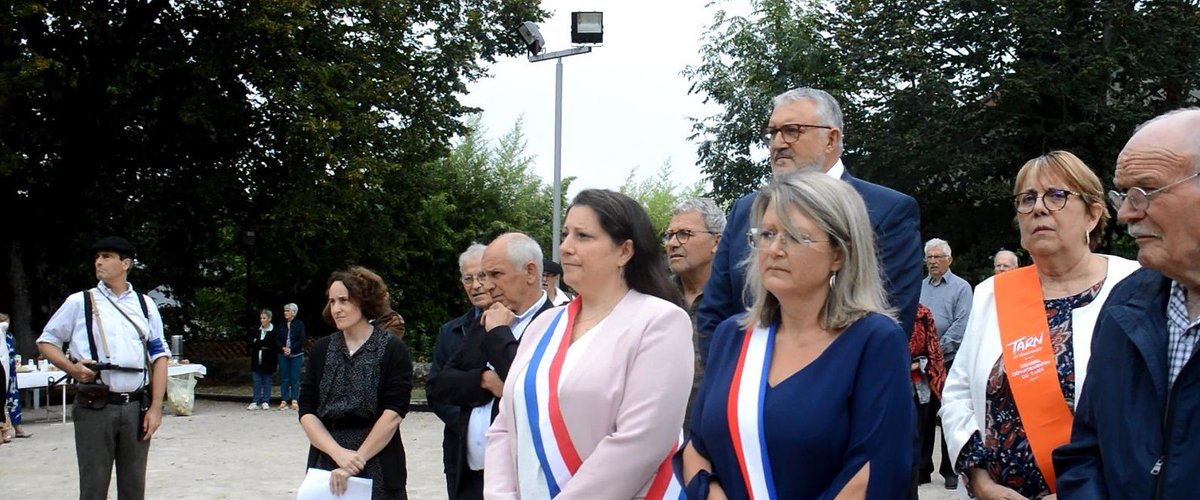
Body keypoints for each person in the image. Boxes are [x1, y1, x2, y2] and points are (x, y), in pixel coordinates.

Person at [683, 171, 913, 499]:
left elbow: (873, 470)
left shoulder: (875, 340)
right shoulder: (731, 336)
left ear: (839, 254)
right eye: (766, 234)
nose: (774, 249)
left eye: (796, 237)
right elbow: (696, 448)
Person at [939, 151, 1140, 499]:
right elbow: (957, 396)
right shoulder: (992, 294)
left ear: (1093, 214)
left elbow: (1151, 416)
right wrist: (980, 481)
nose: (1039, 208)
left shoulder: (1136, 288)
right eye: (1027, 199)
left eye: (1057, 195)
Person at [485, 189, 692, 499]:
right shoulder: (543, 325)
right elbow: (505, 424)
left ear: (624, 251)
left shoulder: (660, 322)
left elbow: (640, 441)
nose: (565, 247)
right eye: (566, 234)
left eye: (583, 236)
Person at [696, 87, 922, 367]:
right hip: (744, 393)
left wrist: (807, 391)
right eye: (773, 132)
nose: (778, 143)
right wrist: (734, 383)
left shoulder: (885, 211)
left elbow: (892, 318)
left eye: (792, 130)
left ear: (831, 139)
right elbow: (713, 314)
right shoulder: (745, 210)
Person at [1053, 109, 1200, 498]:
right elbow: (1087, 450)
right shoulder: (1127, 304)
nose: (1127, 214)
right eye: (1123, 194)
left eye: (1145, 191)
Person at [37, 236, 171, 500]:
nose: (99, 262)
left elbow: (159, 356)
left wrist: (156, 407)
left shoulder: (145, 305)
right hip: (94, 405)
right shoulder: (80, 302)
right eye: (97, 257)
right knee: (94, 485)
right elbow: (46, 341)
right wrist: (72, 368)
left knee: (134, 486)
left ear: (126, 263)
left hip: (136, 407)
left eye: (107, 256)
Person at [427, 232, 554, 500]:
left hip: (523, 480)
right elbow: (441, 385)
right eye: (483, 276)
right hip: (470, 478)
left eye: (495, 275)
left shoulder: (556, 323)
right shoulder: (488, 319)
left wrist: (498, 334)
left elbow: (529, 386)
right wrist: (484, 380)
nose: (487, 286)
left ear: (530, 272)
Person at [298, 266, 413, 499]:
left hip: (378, 455)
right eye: (332, 302)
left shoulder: (392, 349)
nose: (337, 309)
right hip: (327, 455)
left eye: (344, 300)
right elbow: (307, 410)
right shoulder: (321, 350)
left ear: (363, 301)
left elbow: (393, 413)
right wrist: (338, 454)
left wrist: (357, 459)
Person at [426, 242, 492, 498]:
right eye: (468, 278)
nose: (475, 285)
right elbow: (436, 390)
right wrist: (466, 423)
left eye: (482, 276)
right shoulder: (451, 331)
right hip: (460, 452)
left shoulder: (521, 325)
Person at [918, 237, 973, 489]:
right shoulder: (919, 287)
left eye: (937, 257)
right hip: (921, 363)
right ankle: (923, 467)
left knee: (948, 413)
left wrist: (935, 350)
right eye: (929, 257)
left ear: (949, 259)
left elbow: (961, 326)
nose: (932, 262)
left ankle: (950, 470)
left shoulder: (962, 288)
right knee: (923, 415)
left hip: (950, 360)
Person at [910, 304, 946, 494]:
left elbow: (933, 349)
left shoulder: (923, 314)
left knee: (922, 427)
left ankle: (922, 470)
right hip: (891, 378)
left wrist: (917, 365)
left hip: (919, 379)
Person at [2, 312, 31, 441]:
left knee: (14, 400)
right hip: (2, 370)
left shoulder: (9, 336)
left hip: (11, 371)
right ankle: (4, 431)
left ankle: (18, 428)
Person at [247, 309, 278, 411]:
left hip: (269, 358)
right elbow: (251, 342)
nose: (262, 320)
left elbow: (271, 343)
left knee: (267, 380)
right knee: (256, 380)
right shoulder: (256, 329)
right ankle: (255, 401)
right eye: (261, 318)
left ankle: (265, 401)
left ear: (269, 319)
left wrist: (258, 342)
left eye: (264, 318)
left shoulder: (274, 331)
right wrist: (260, 342)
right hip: (257, 357)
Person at [277, 302, 305, 410]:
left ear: (293, 313)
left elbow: (301, 339)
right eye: (285, 311)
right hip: (283, 354)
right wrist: (283, 348)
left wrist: (291, 349)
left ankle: (295, 399)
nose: (285, 313)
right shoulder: (281, 324)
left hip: (296, 354)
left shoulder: (299, 324)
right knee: (284, 377)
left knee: (295, 377)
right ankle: (284, 399)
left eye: (288, 311)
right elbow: (277, 339)